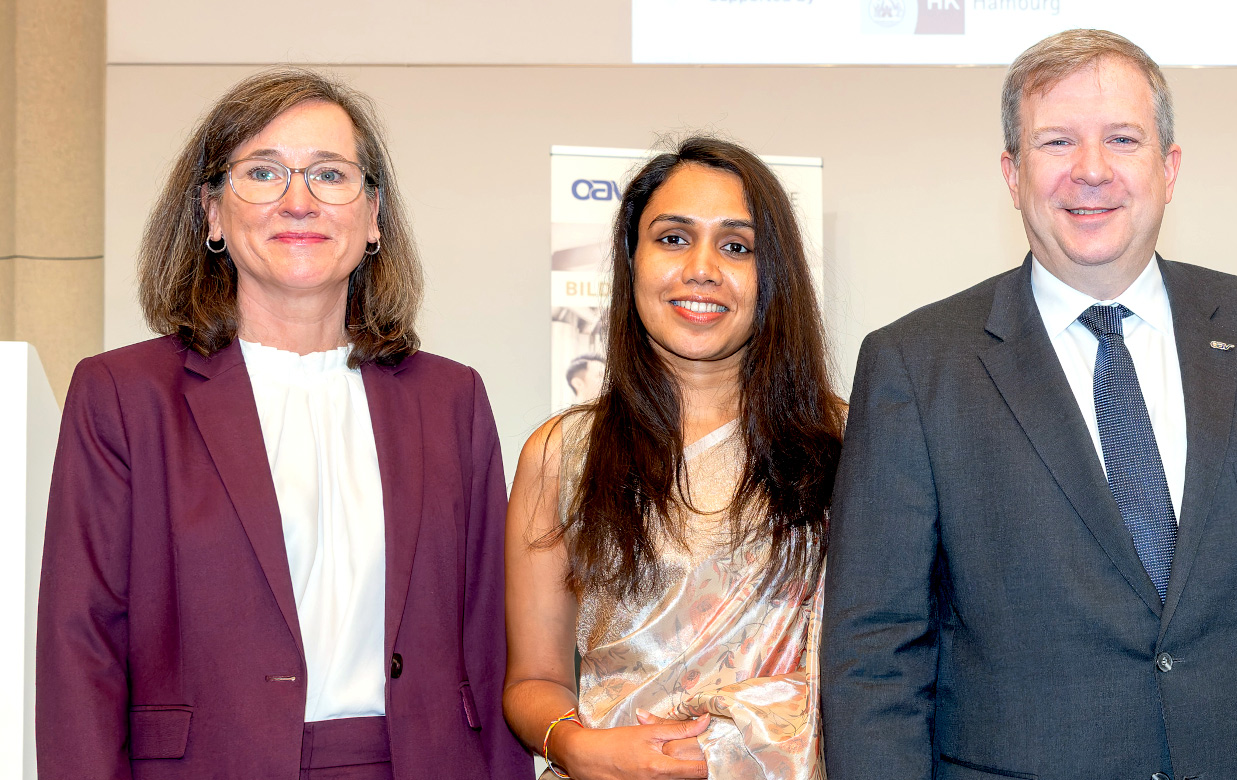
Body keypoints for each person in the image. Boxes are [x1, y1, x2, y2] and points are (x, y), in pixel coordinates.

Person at [821, 28, 1237, 780]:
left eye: (1122, 139)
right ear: (1012, 175)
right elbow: (874, 652)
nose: (1091, 172)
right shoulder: (915, 366)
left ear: (1169, 168)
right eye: (1056, 143)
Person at [36, 68, 528, 778]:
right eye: (263, 172)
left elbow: (490, 646)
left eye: (330, 175)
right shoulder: (123, 395)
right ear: (210, 213)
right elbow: (79, 649)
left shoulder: (452, 399)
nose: (299, 201)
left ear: (374, 216)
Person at [503, 137, 841, 780]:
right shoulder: (562, 456)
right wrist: (577, 747)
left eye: (737, 246)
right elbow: (532, 680)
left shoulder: (845, 445)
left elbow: (885, 672)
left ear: (776, 275)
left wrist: (730, 750)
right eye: (673, 238)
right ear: (631, 262)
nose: (702, 269)